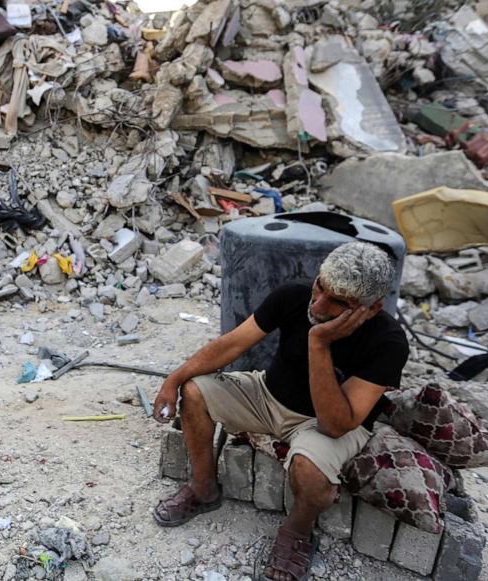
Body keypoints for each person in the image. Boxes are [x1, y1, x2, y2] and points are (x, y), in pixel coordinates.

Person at [151, 241, 409, 581]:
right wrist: (173, 380)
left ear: (370, 308)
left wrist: (319, 343)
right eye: (321, 287)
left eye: (338, 303)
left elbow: (335, 424)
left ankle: (297, 533)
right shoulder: (293, 296)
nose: (319, 304)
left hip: (324, 423)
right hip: (266, 395)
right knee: (195, 391)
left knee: (312, 471)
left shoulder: (388, 342)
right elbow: (231, 344)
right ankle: (203, 489)